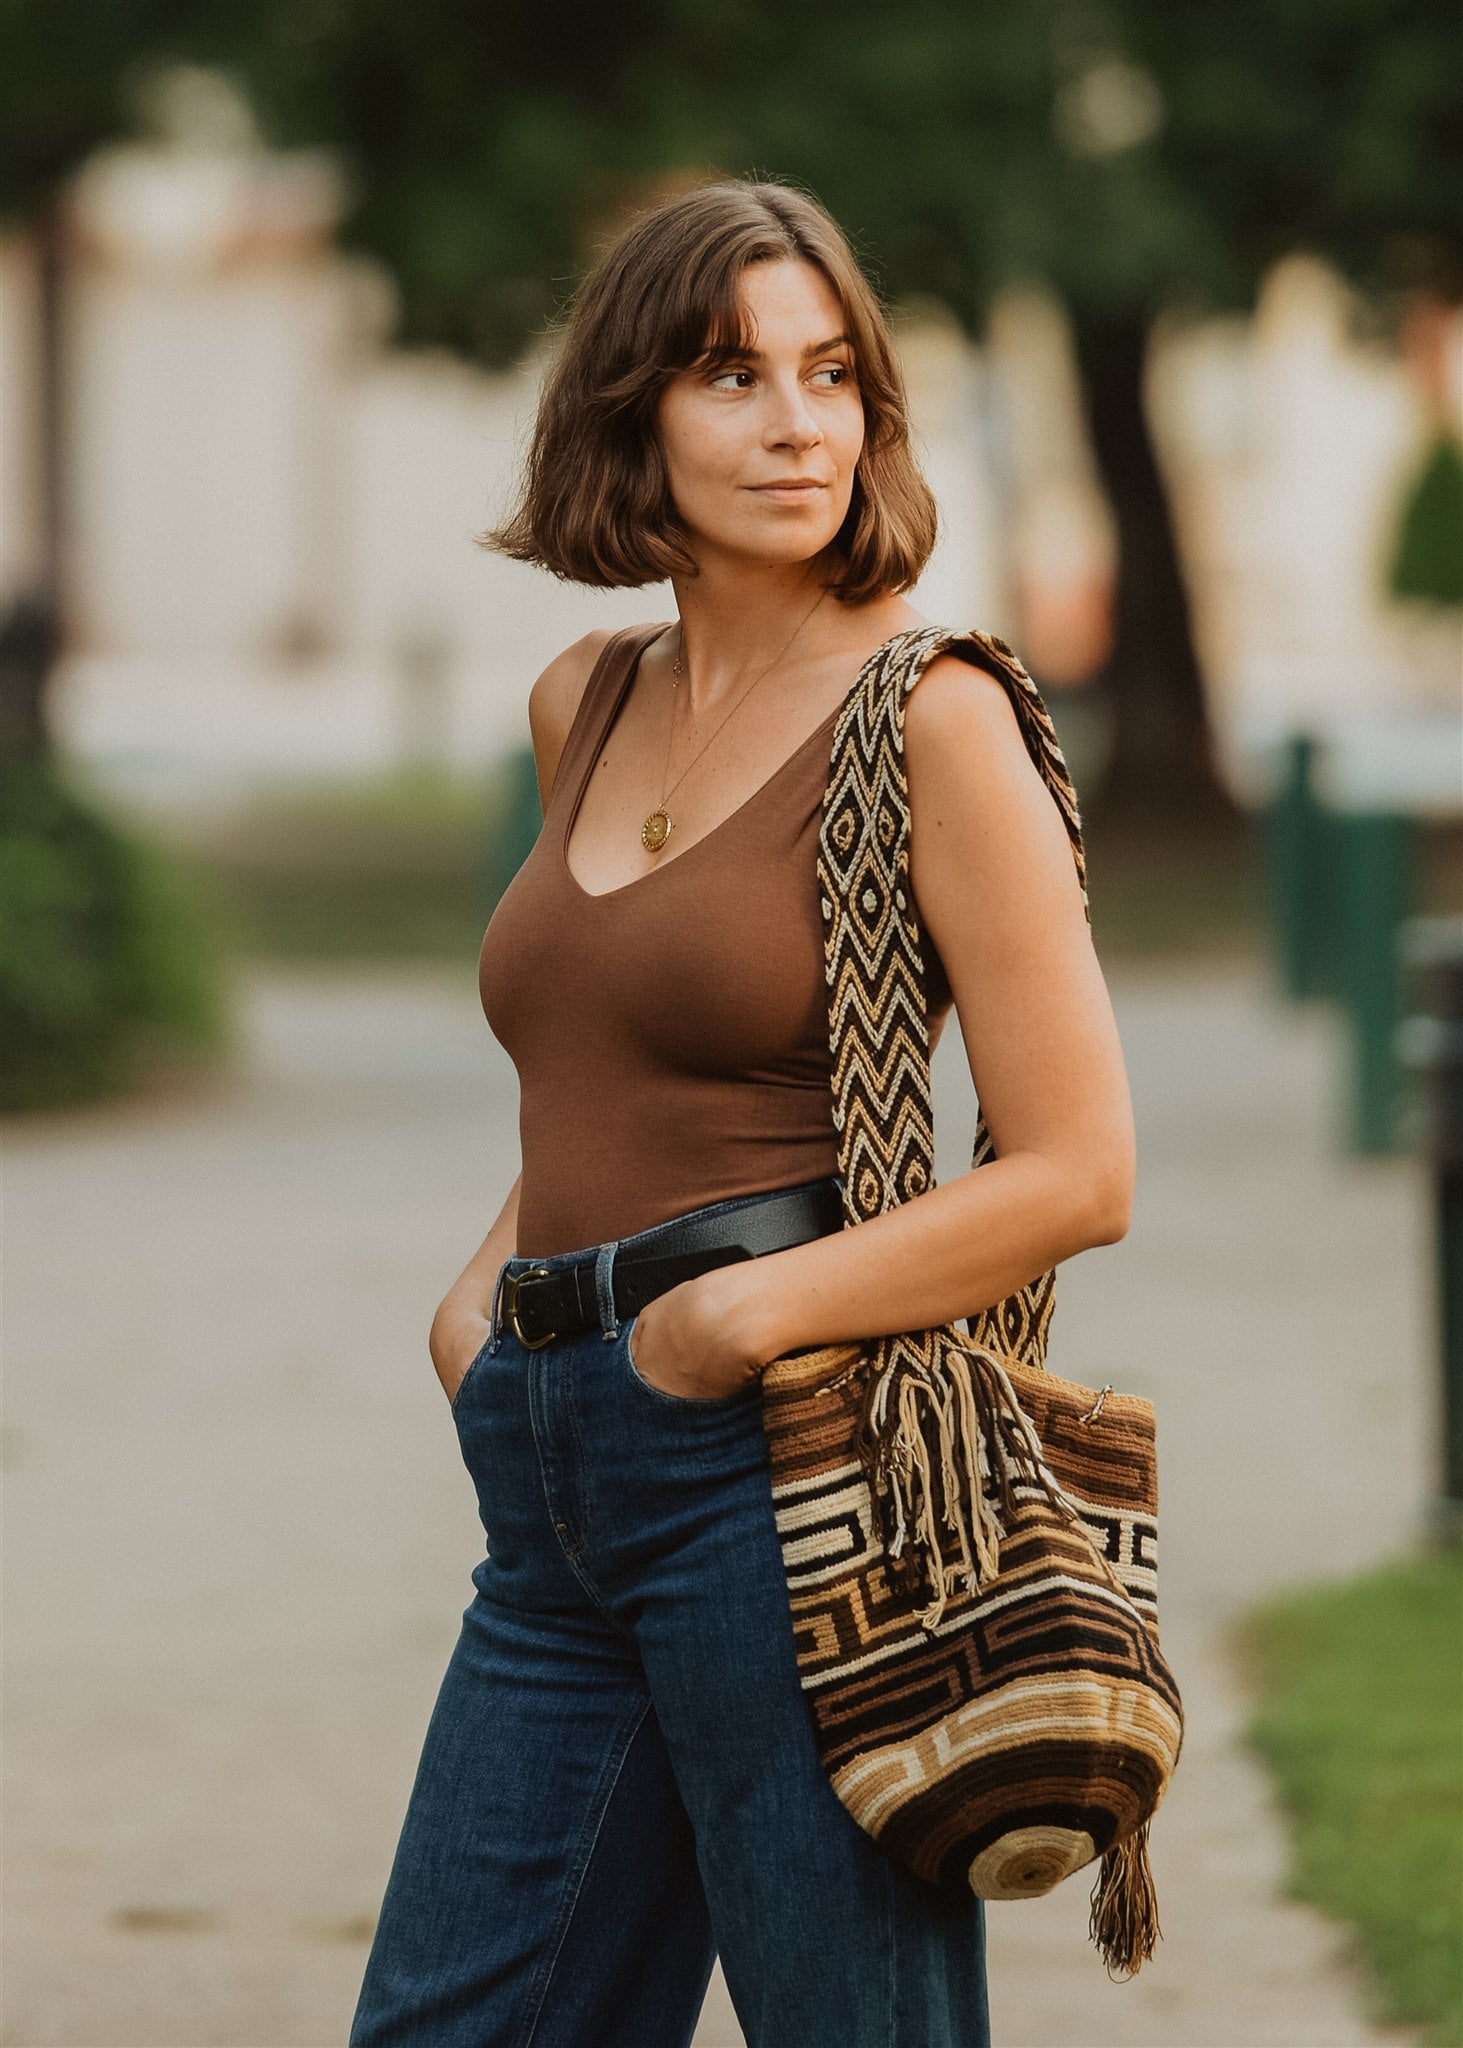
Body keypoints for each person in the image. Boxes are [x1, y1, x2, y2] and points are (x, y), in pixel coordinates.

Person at [349, 178, 1135, 2048]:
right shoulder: (587, 699)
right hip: (546, 1468)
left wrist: (724, 1326)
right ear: (629, 413)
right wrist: (483, 1307)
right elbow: (592, 1061)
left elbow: (1079, 1168)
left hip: (775, 1460)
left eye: (832, 373)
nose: (796, 424)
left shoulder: (930, 713)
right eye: (730, 374)